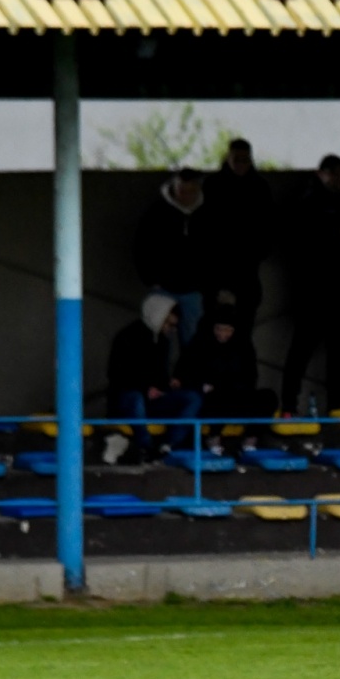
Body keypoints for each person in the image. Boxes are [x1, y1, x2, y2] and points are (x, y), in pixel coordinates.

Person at [283, 154, 340, 414]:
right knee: (301, 351)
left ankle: (337, 406)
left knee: (339, 355)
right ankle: (289, 405)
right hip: (314, 293)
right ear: (321, 174)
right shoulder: (306, 205)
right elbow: (301, 247)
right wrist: (336, 236)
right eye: (334, 173)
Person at [105, 294, 202, 461]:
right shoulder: (126, 337)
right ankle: (146, 448)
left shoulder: (162, 340)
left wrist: (167, 385)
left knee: (192, 398)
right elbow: (117, 375)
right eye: (169, 324)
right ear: (159, 317)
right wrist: (145, 389)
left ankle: (169, 445)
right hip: (128, 399)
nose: (172, 329)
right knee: (135, 398)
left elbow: (159, 376)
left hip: (151, 400)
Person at [175, 308, 277, 453]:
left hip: (238, 395)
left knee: (268, 397)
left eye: (227, 330)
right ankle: (213, 438)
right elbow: (186, 373)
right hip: (212, 399)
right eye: (218, 329)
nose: (222, 334)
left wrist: (233, 387)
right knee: (217, 396)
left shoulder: (244, 346)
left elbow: (250, 377)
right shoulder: (200, 343)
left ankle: (250, 440)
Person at [133, 167, 216, 345]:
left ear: (198, 189)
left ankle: (188, 374)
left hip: (194, 290)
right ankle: (160, 374)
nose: (186, 196)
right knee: (159, 340)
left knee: (194, 342)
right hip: (163, 288)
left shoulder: (208, 213)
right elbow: (141, 246)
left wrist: (207, 284)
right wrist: (150, 279)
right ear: (174, 188)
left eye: (191, 192)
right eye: (182, 191)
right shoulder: (157, 212)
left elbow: (218, 250)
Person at [202, 138, 273, 335]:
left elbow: (268, 226)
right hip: (218, 272)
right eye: (237, 159)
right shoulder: (213, 186)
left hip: (247, 272)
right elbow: (204, 228)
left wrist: (257, 253)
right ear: (228, 158)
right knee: (214, 332)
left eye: (245, 159)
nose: (241, 164)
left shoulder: (259, 188)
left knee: (243, 332)